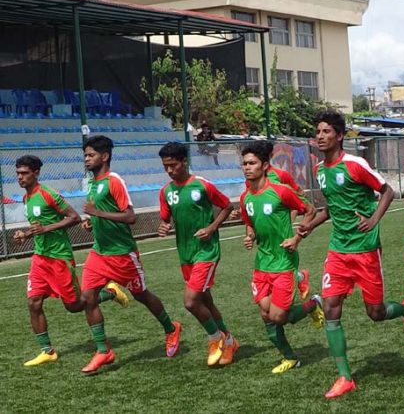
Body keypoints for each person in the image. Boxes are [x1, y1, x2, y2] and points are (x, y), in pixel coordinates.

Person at [298, 109, 404, 399]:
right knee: (330, 308)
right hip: (338, 250)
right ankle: (345, 377)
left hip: (365, 250)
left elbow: (387, 191)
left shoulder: (355, 164)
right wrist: (310, 227)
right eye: (318, 131)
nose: (320, 136)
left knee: (375, 313)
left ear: (339, 136)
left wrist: (374, 219)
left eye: (326, 131)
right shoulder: (320, 171)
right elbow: (331, 209)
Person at [80, 135, 181, 375]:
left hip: (123, 254)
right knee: (87, 297)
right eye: (85, 155)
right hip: (99, 252)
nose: (86, 159)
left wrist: (97, 213)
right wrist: (91, 221)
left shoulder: (114, 181)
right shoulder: (93, 184)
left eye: (90, 155)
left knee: (141, 295)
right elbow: (100, 213)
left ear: (104, 157)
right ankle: (104, 350)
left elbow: (130, 216)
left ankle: (171, 328)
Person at [239, 142, 324, 374]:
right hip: (261, 265)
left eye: (252, 163)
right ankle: (290, 358)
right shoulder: (245, 198)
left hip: (284, 263)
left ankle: (312, 304)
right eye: (244, 163)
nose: (247, 168)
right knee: (266, 314)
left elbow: (310, 210)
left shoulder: (280, 190)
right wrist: (250, 237)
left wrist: (297, 237)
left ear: (265, 166)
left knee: (278, 316)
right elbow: (250, 225)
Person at [157, 142, 237, 366]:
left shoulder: (202, 185)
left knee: (191, 302)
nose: (170, 170)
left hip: (206, 252)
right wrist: (163, 227)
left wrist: (212, 228)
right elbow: (165, 220)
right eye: (166, 167)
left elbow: (227, 206)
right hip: (185, 254)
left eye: (173, 165)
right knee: (205, 301)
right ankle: (230, 341)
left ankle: (216, 339)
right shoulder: (166, 192)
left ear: (184, 161)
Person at [14, 155, 84, 367]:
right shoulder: (26, 198)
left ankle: (109, 292)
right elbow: (39, 225)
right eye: (17, 173)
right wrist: (25, 235)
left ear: (36, 173)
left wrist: (46, 229)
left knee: (74, 306)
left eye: (24, 173)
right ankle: (47, 351)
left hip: (59, 257)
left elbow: (74, 218)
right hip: (40, 258)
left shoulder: (48, 194)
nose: (20, 177)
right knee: (33, 302)